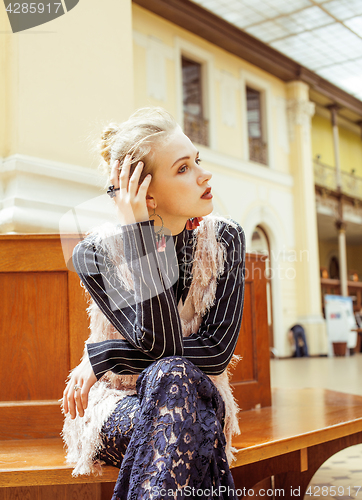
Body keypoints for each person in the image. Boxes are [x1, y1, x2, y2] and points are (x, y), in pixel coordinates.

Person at [62, 107, 246, 500]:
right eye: (183, 168)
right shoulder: (95, 254)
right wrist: (140, 234)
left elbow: (214, 354)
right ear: (145, 194)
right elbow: (161, 347)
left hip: (200, 399)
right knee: (177, 393)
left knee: (174, 378)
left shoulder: (226, 239)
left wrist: (105, 355)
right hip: (118, 406)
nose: (203, 174)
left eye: (197, 160)